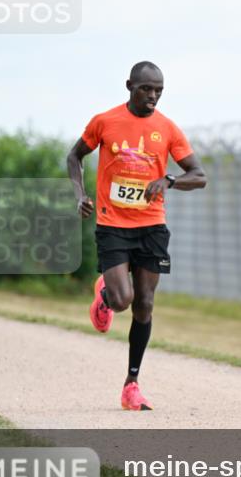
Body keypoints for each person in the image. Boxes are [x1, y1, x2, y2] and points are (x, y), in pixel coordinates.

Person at [66, 61, 206, 410]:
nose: (153, 96)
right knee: (123, 300)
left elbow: (199, 174)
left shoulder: (168, 129)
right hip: (113, 224)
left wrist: (170, 180)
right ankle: (106, 296)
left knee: (145, 303)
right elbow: (75, 156)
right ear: (130, 86)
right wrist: (79, 194)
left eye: (159, 90)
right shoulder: (105, 122)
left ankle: (132, 384)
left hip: (152, 226)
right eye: (147, 89)